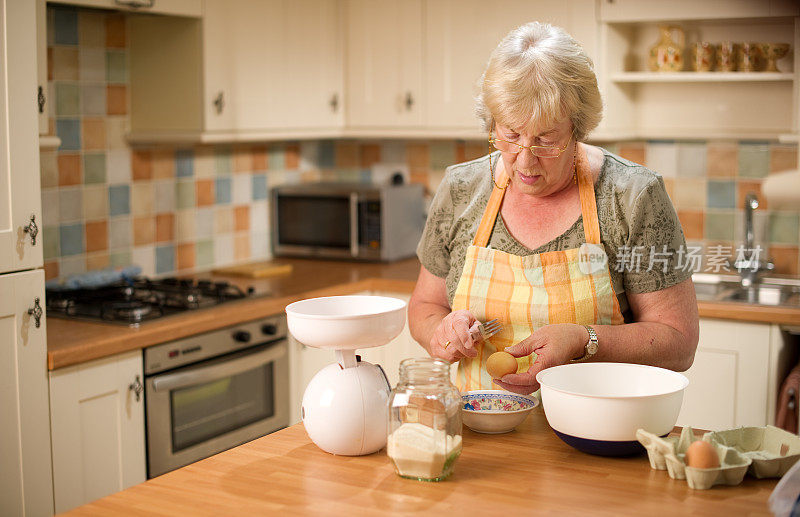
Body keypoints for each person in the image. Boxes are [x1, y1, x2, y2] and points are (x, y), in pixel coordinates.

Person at [408, 22, 699, 395]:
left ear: (577, 129)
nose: (525, 162)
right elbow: (425, 304)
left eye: (546, 140)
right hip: (478, 433)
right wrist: (440, 331)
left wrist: (585, 341)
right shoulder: (461, 189)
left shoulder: (632, 197)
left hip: (596, 433)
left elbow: (679, 341)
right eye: (510, 135)